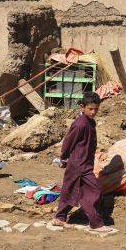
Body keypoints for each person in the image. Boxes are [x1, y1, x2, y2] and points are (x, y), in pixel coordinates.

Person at [52, 91, 113, 233]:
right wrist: (64, 157)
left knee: (70, 189)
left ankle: (60, 218)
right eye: (90, 109)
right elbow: (68, 141)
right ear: (82, 107)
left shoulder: (90, 122)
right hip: (79, 164)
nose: (93, 112)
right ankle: (96, 224)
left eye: (96, 109)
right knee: (93, 191)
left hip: (83, 162)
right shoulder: (80, 124)